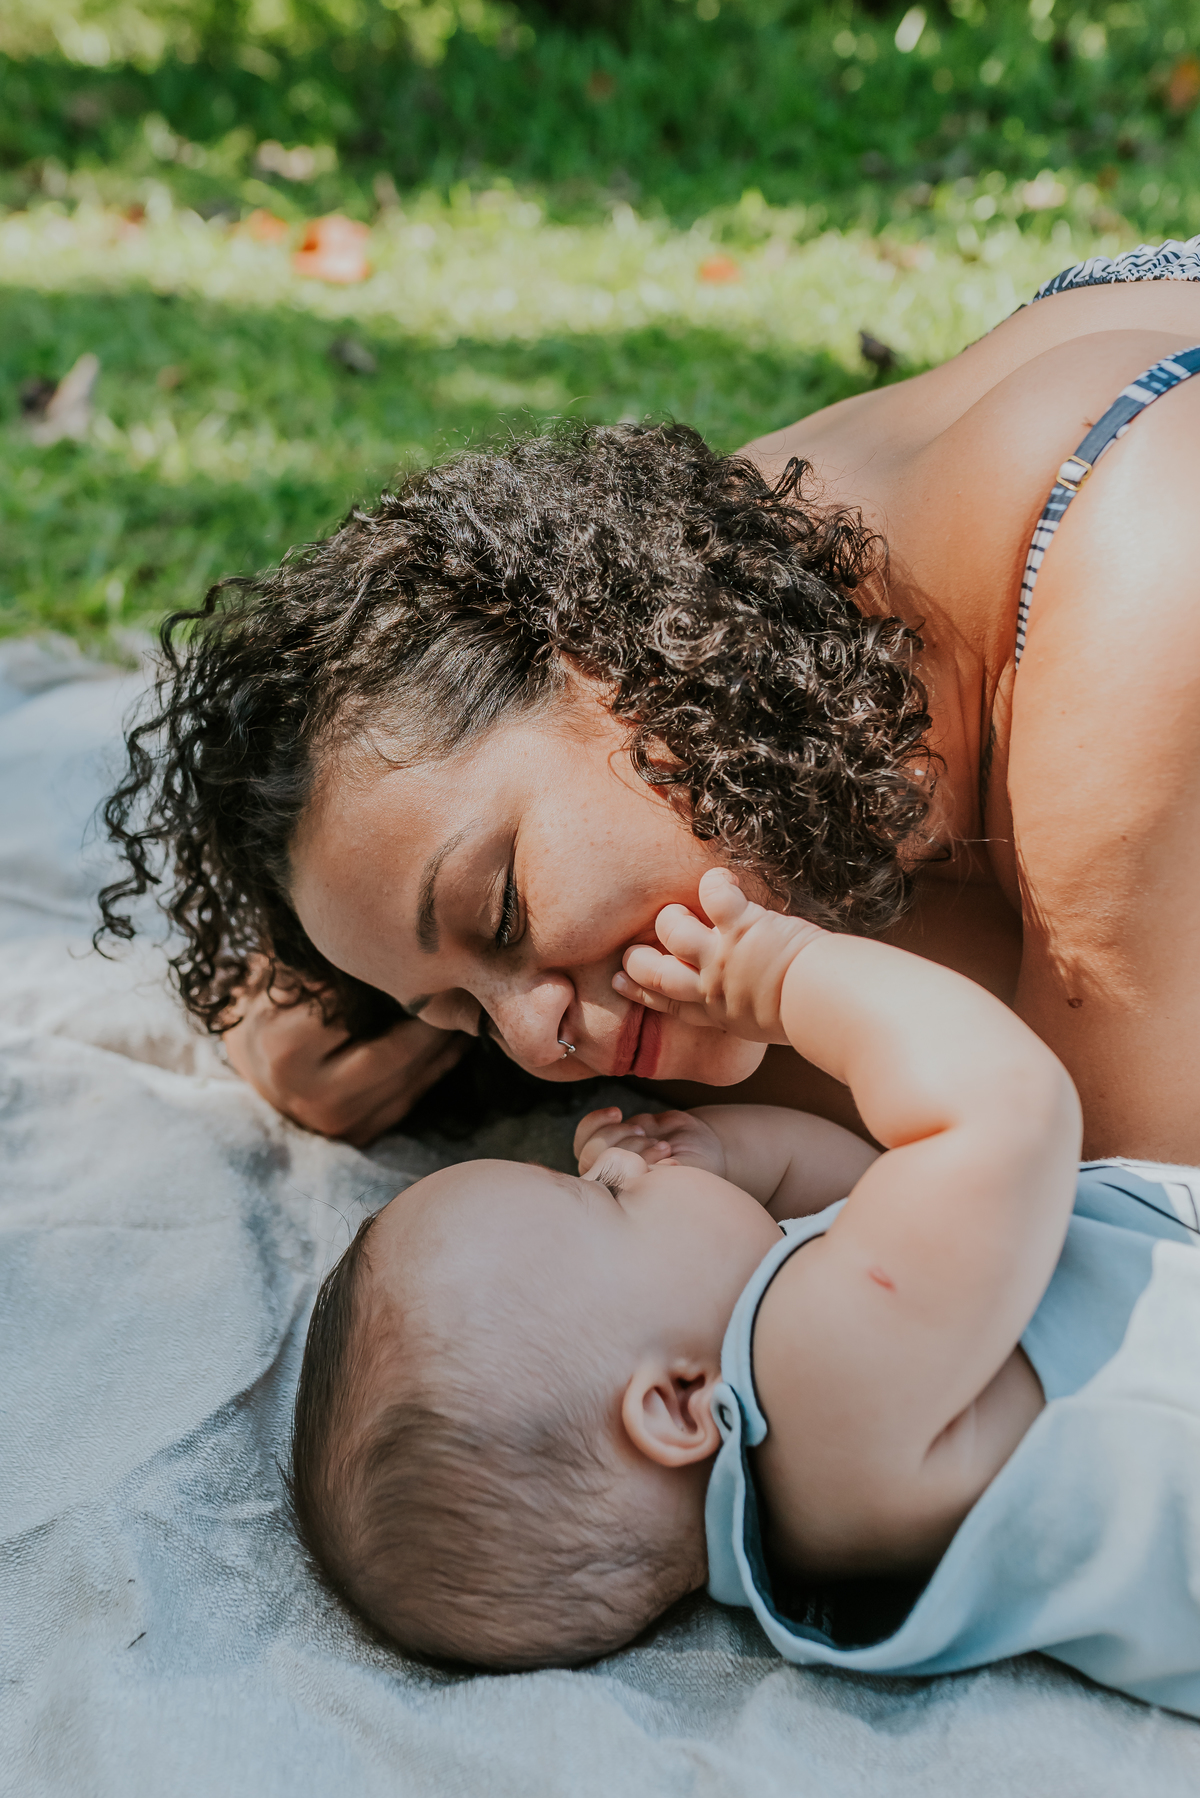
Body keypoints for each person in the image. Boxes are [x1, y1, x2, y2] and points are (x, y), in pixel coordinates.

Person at [101, 237, 1200, 1159]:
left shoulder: (1145, 559)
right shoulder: (747, 618)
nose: (536, 1048)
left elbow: (1110, 1190)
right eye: (458, 1019)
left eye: (504, 914)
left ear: (609, 660)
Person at [287, 869, 1200, 1713]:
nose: (619, 1165)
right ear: (676, 1404)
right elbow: (1005, 1109)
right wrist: (791, 976)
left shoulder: (808, 1487)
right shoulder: (818, 1389)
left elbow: (867, 1193)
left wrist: (719, 1156)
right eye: (600, 1197)